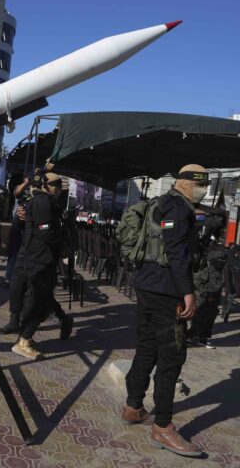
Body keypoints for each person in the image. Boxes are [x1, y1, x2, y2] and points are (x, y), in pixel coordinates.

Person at [122, 164, 208, 458]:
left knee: (146, 346)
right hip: (166, 291)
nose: (204, 189)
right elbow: (175, 253)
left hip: (146, 284)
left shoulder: (164, 203)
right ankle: (162, 426)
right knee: (171, 356)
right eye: (200, 184)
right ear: (186, 184)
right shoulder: (179, 209)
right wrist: (188, 293)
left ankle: (133, 406)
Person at [2, 172, 72, 352]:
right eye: (55, 184)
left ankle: (27, 335)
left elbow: (45, 229)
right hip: (33, 255)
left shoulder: (47, 202)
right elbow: (44, 230)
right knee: (31, 293)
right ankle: (21, 333)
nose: (58, 188)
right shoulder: (40, 201)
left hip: (39, 256)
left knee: (40, 296)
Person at [187, 243, 225, 348]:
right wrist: (205, 294)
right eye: (220, 259)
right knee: (200, 319)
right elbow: (197, 280)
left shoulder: (221, 270)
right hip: (205, 299)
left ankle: (203, 339)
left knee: (209, 320)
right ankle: (190, 337)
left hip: (215, 299)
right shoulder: (207, 269)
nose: (222, 261)